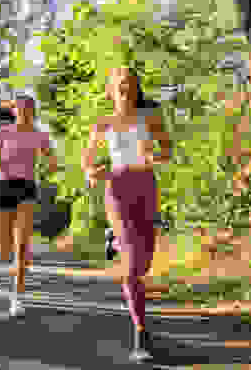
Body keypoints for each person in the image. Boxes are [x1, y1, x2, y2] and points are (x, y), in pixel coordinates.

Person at [83, 66, 172, 363]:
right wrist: (92, 172)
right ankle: (141, 334)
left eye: (130, 83)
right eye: (119, 84)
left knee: (144, 263)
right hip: (117, 188)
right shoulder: (103, 123)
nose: (124, 88)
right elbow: (88, 162)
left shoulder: (150, 118)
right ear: (110, 90)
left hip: (146, 187)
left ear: (136, 88)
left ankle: (116, 240)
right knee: (132, 268)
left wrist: (154, 154)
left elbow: (167, 151)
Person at [0, 95, 58, 317]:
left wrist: (51, 165)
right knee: (3, 248)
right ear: (14, 111)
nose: (25, 111)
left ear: (33, 111)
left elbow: (50, 157)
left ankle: (18, 296)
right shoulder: (3, 132)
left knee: (22, 245)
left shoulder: (39, 134)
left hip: (27, 187)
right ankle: (18, 262)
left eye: (29, 108)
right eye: (21, 108)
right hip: (4, 186)